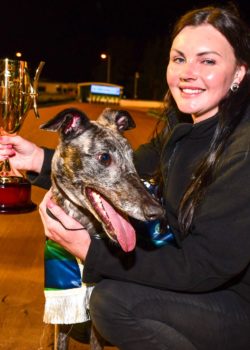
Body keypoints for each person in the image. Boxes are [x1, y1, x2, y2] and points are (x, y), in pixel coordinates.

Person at [1, 4, 250, 349]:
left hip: (235, 302)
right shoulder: (179, 129)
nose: (188, 72)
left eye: (207, 61)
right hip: (197, 276)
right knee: (104, 300)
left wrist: (92, 251)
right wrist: (38, 160)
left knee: (112, 303)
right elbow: (119, 167)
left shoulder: (243, 150)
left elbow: (205, 265)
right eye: (179, 59)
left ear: (239, 72)